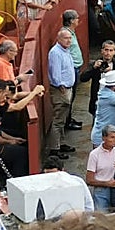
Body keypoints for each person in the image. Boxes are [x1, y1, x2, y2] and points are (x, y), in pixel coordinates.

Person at [85, 124, 115, 212]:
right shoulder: (94, 154)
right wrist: (107, 183)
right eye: (112, 137)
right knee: (102, 217)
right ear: (104, 138)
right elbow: (89, 180)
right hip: (101, 191)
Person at [46, 28, 76, 159]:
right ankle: (54, 149)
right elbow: (55, 73)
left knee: (62, 118)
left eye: (70, 38)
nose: (69, 40)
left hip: (66, 88)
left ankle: (61, 143)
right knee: (58, 120)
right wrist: (60, 85)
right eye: (66, 38)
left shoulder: (64, 50)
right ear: (59, 39)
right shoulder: (56, 53)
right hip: (61, 90)